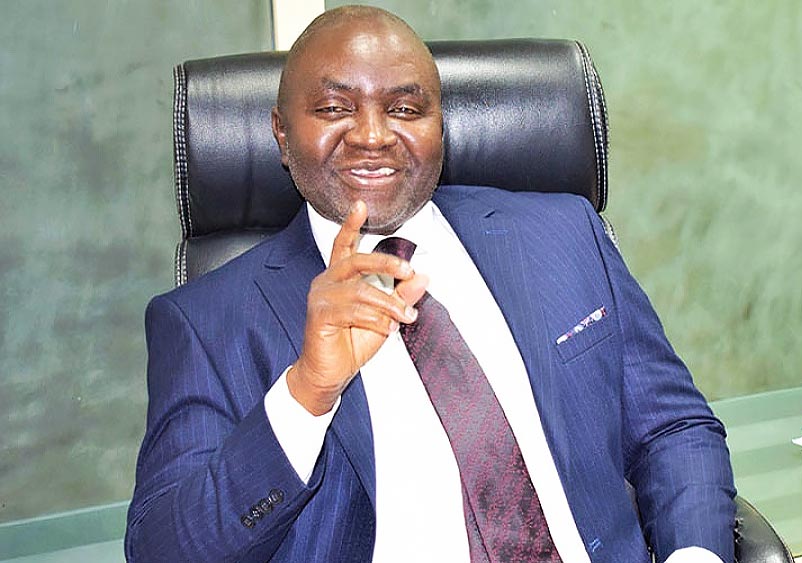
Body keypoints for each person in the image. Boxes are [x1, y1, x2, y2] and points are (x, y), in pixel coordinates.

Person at [126, 6, 735, 562]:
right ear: (282, 134)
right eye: (335, 109)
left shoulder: (563, 233)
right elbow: (164, 551)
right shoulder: (206, 321)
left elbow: (673, 428)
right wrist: (307, 391)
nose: (372, 135)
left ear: (441, 127)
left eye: (405, 109)